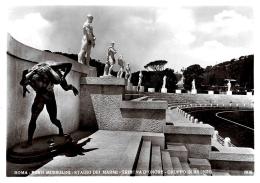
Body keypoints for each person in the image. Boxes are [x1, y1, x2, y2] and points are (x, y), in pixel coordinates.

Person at [20, 62, 79, 145]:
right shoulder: (39, 70)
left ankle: (60, 128)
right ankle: (29, 141)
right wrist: (24, 87)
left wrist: (71, 86)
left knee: (53, 119)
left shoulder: (53, 73)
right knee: (33, 119)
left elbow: (68, 68)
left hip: (50, 98)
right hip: (40, 97)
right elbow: (24, 76)